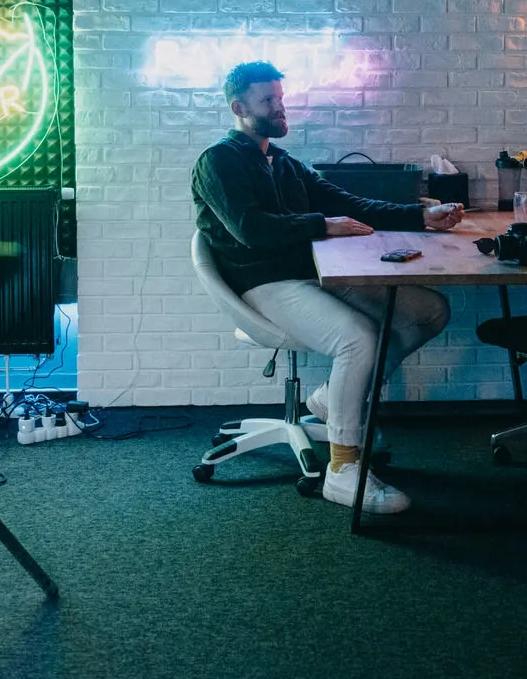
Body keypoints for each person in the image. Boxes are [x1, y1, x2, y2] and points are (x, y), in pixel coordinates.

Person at [193, 61, 466, 514]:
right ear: (240, 108)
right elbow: (251, 230)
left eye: (281, 97)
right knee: (359, 338)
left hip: (311, 274)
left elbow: (347, 203)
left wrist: (420, 216)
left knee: (427, 310)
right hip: (262, 283)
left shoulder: (281, 162)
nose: (280, 107)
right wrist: (324, 225)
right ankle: (342, 470)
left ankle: (327, 402)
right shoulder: (218, 161)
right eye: (268, 100)